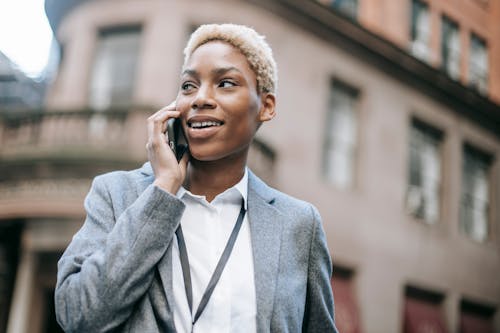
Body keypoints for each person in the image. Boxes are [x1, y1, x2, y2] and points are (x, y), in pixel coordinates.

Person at [55, 23, 339, 333]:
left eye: (226, 83)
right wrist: (163, 191)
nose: (200, 98)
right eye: (189, 86)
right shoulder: (116, 193)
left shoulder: (299, 224)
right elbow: (77, 314)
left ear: (266, 107)